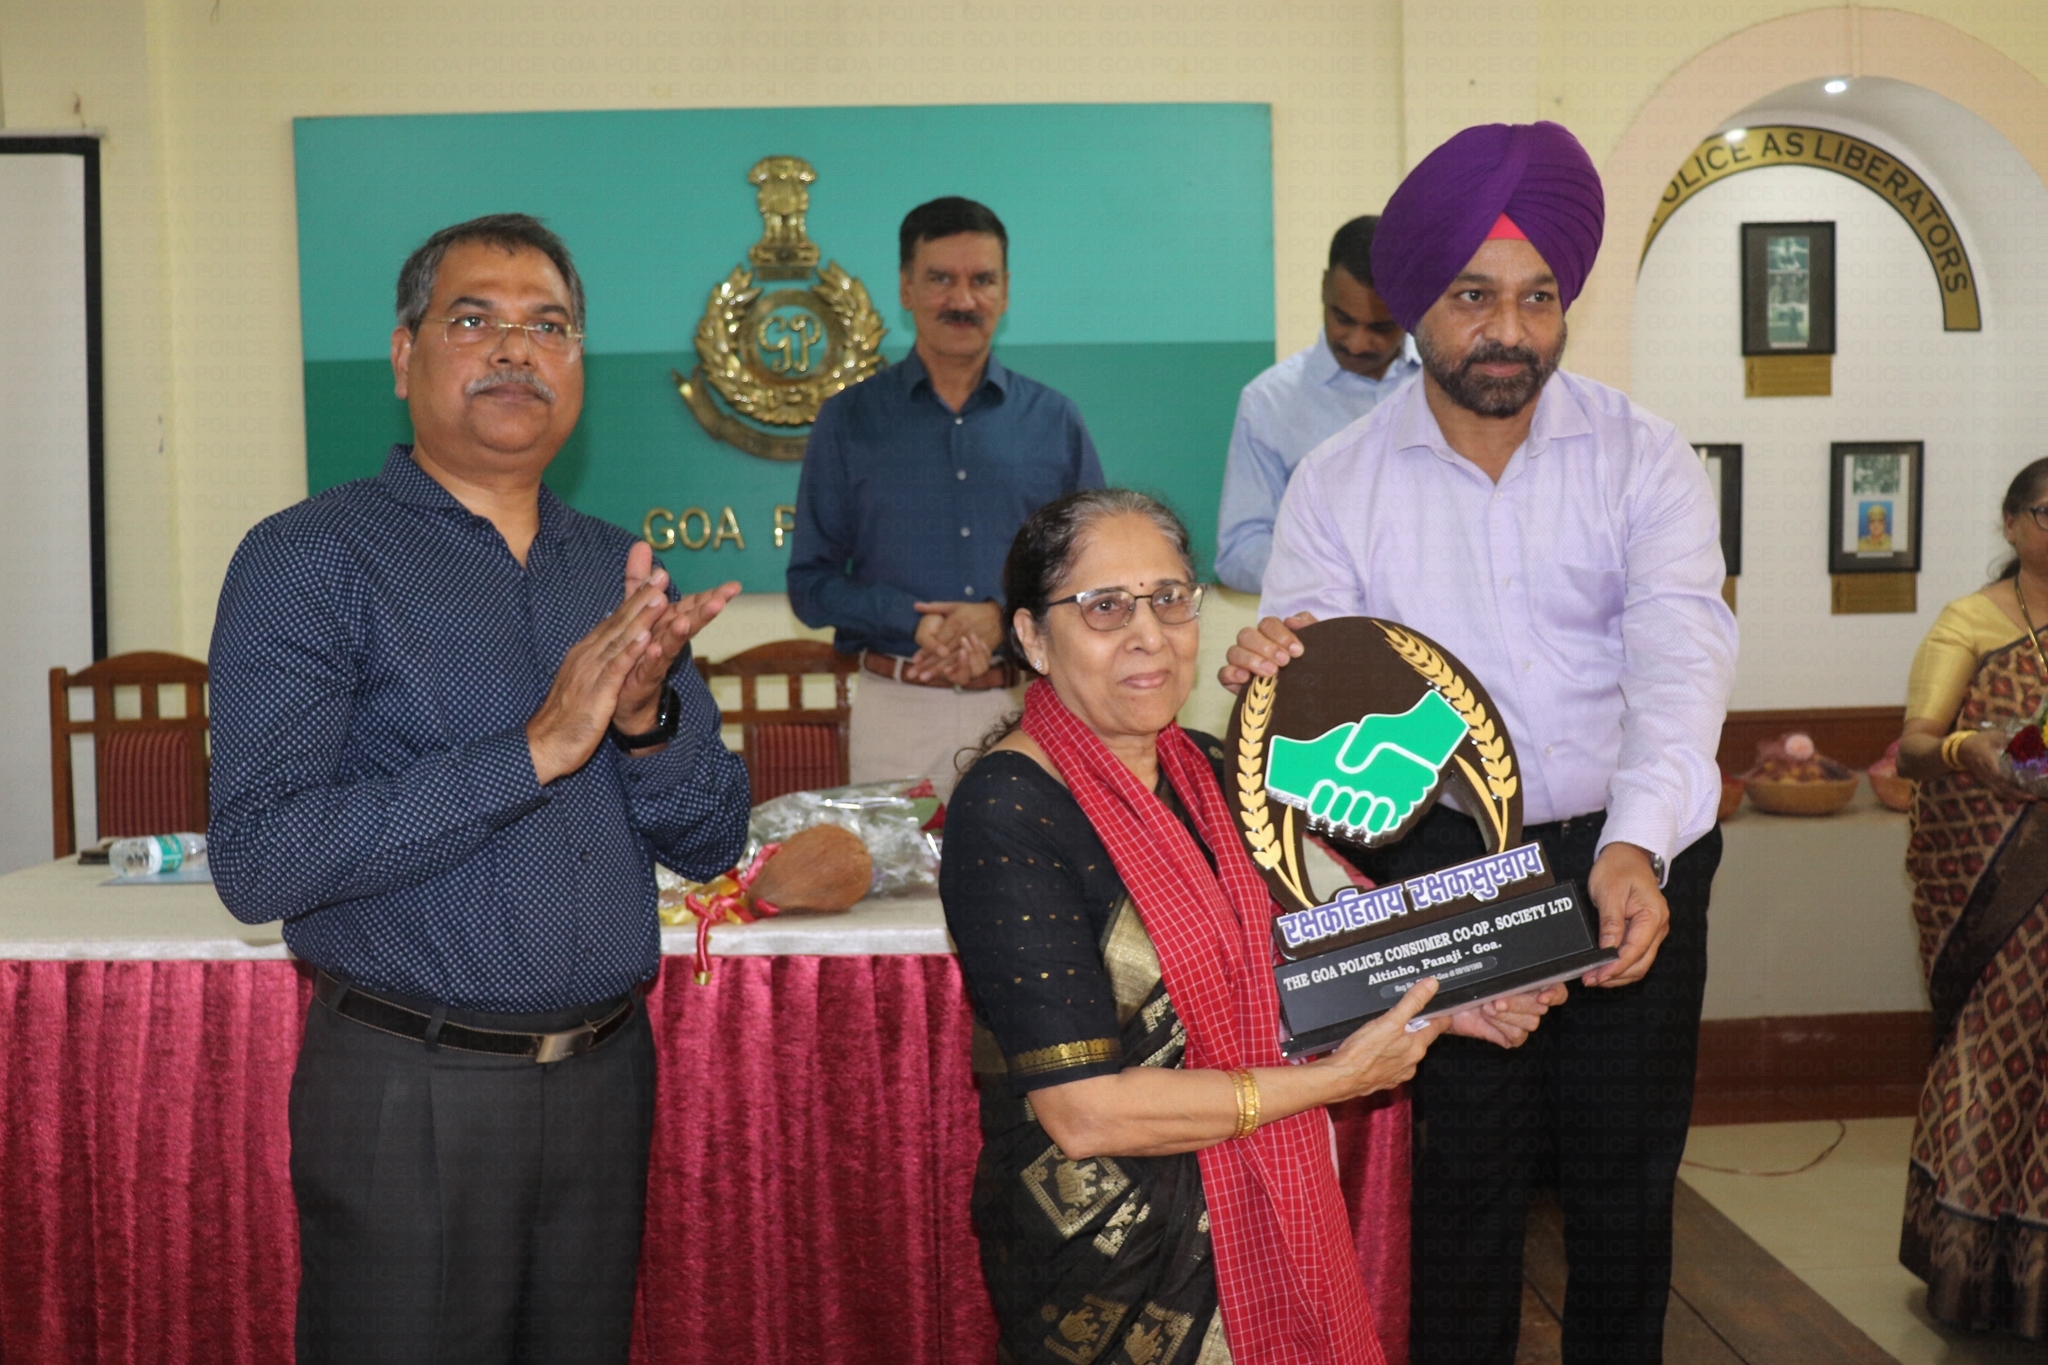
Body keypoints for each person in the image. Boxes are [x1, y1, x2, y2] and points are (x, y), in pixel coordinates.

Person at [1223, 122, 1737, 1364]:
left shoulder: (1642, 456)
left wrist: (1636, 847)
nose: (1507, 329)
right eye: (1471, 296)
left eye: (1535, 297)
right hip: (1439, 864)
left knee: (1623, 1181)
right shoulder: (1336, 482)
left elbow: (1680, 663)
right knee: (1459, 1186)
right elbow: (1321, 704)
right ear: (1416, 307)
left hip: (1630, 846)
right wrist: (1275, 680)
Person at [208, 214, 751, 1363]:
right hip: (411, 1089)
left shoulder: (616, 569)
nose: (516, 350)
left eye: (548, 327)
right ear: (404, 357)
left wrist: (645, 724)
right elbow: (261, 859)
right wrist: (534, 750)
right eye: (474, 321)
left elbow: (709, 840)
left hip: (605, 1082)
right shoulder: (311, 558)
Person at [943, 488, 1561, 1365]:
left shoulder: (1212, 771)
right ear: (1034, 637)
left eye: (1169, 598)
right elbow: (1083, 1112)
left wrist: (1447, 999)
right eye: (1105, 607)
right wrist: (1333, 1081)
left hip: (1251, 1207)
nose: (1149, 634)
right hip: (1110, 1254)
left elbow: (1300, 967)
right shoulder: (1007, 809)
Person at [788, 196, 1104, 799]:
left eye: (981, 280)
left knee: (1031, 862)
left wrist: (1001, 620)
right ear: (906, 289)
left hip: (1029, 708)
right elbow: (810, 586)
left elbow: (1092, 576)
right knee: (895, 866)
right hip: (897, 710)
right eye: (940, 279)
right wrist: (916, 624)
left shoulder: (1053, 420)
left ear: (1005, 292)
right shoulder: (848, 420)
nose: (963, 300)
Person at [1894, 457, 2048, 1341]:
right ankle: (1967, 1272)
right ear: (2013, 522)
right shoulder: (1972, 621)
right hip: (1995, 888)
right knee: (1992, 1052)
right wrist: (1971, 751)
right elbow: (1916, 747)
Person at [1214, 215, 1420, 594]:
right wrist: (1330, 580)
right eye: (1342, 319)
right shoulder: (1268, 402)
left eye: (1380, 328)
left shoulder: (1449, 388)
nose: (1357, 343)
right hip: (1324, 617)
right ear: (1325, 287)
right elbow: (1240, 551)